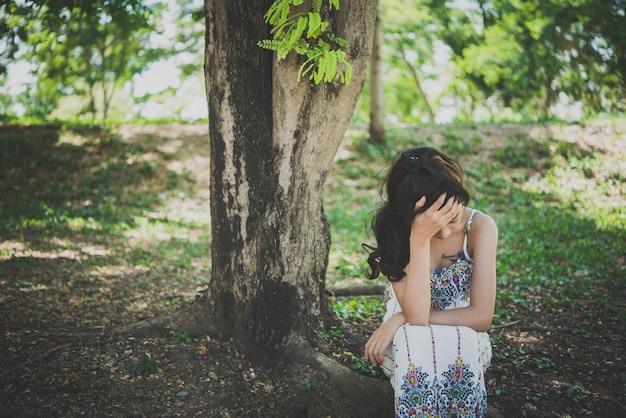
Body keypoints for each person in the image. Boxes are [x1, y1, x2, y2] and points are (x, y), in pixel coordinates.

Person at [363, 146, 497, 417]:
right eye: (434, 224)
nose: (446, 231)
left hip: (461, 327)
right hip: (408, 336)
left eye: (452, 217)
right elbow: (417, 316)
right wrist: (419, 239)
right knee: (417, 339)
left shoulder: (481, 227)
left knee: (463, 341)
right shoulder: (394, 229)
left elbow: (481, 317)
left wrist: (401, 318)